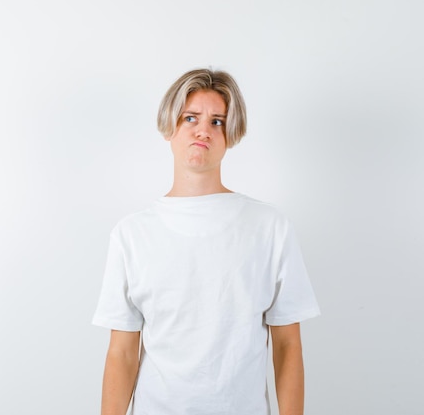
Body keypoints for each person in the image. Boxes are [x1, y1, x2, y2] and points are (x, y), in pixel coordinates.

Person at [92, 68, 320, 415]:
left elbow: (287, 345)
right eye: (191, 118)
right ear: (170, 126)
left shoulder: (270, 227)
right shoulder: (131, 235)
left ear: (231, 134)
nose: (203, 130)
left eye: (217, 122)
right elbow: (122, 352)